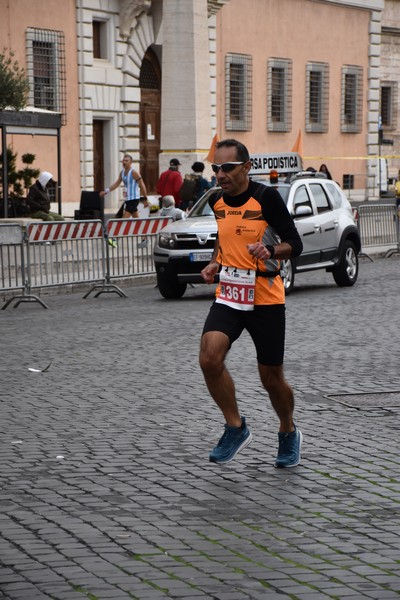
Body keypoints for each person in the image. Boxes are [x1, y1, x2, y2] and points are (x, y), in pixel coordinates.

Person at [199, 138, 303, 468]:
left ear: (246, 167)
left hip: (266, 296)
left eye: (227, 168)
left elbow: (294, 243)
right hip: (229, 294)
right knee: (209, 358)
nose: (220, 175)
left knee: (271, 378)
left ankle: (288, 431)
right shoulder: (217, 202)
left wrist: (271, 251)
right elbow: (225, 237)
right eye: (216, 168)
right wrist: (216, 261)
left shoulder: (267, 197)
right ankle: (235, 426)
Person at [100, 154, 149, 218]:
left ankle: (119, 228)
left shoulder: (134, 172)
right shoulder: (122, 172)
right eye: (123, 160)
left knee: (123, 219)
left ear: (130, 162)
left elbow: (142, 185)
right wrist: (106, 191)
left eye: (126, 161)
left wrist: (145, 199)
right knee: (136, 218)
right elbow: (116, 184)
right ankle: (142, 227)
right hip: (128, 198)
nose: (124, 162)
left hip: (134, 198)